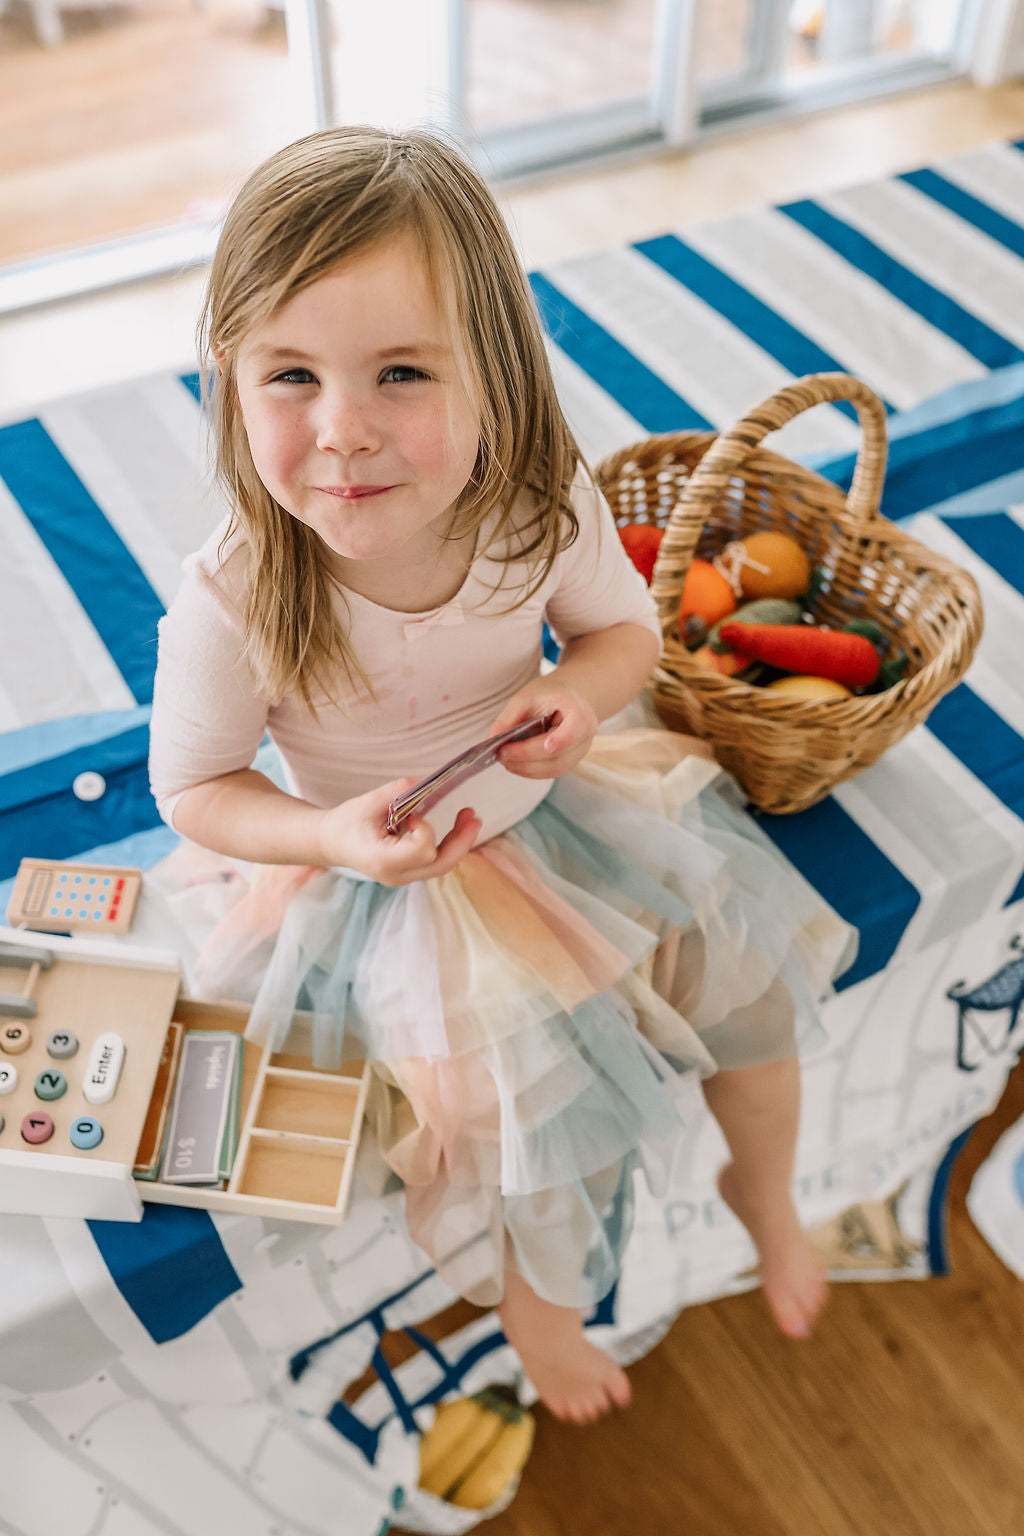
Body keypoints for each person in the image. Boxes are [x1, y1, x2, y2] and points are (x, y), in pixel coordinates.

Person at [148, 125, 856, 1425]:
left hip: (568, 813)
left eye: (402, 372)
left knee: (749, 991)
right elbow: (193, 791)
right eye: (289, 375)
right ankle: (541, 1320)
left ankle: (771, 1191)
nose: (343, 431)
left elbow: (623, 636)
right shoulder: (235, 592)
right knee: (535, 1111)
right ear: (231, 384)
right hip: (379, 880)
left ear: (498, 378)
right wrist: (329, 835)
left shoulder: (537, 508)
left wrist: (573, 699)